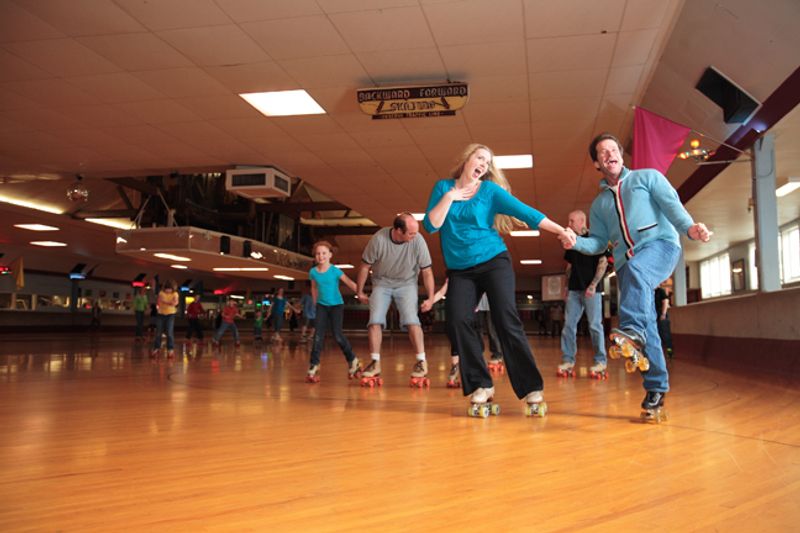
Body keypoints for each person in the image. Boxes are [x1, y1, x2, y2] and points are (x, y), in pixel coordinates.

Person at [563, 132, 711, 419]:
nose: (609, 154)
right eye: (602, 153)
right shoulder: (599, 204)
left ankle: (632, 330)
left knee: (638, 276)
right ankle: (656, 387)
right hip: (629, 265)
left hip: (661, 247)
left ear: (620, 154)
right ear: (597, 163)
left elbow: (672, 205)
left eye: (613, 149)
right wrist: (576, 242)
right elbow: (598, 242)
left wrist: (690, 228)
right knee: (648, 324)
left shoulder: (647, 178)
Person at [423, 143, 575, 416]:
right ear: (466, 159)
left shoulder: (490, 191)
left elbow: (526, 213)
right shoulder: (443, 187)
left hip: (493, 261)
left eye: (487, 162)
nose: (483, 163)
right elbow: (431, 225)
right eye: (479, 157)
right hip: (460, 270)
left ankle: (531, 387)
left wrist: (560, 230)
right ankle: (481, 384)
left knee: (505, 319)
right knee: (458, 320)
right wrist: (452, 196)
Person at [356, 212, 435, 387]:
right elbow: (364, 266)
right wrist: (359, 291)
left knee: (411, 320)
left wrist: (430, 298)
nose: (415, 236)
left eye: (416, 233)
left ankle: (422, 361)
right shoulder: (379, 239)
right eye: (411, 233)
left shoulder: (418, 241)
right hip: (381, 283)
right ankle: (375, 362)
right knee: (375, 321)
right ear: (398, 230)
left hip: (407, 283)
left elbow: (427, 271)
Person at [557, 210, 609, 379]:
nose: (569, 224)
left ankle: (600, 361)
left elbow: (603, 262)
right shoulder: (573, 242)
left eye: (572, 221)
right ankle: (568, 360)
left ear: (582, 221)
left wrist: (593, 285)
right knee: (568, 326)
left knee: (595, 326)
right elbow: (570, 266)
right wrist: (566, 287)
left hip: (591, 290)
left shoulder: (595, 239)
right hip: (574, 289)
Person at [306, 240, 362, 383]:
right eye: (318, 254)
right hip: (321, 306)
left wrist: (361, 294)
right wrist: (314, 301)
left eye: (324, 253)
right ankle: (314, 364)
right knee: (318, 336)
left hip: (337, 306)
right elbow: (313, 287)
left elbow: (349, 282)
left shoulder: (335, 270)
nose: (321, 256)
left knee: (337, 335)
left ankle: (352, 359)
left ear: (330, 255)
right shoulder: (313, 272)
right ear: (315, 256)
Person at [151, 280, 179, 358]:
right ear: (164, 288)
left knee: (169, 332)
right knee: (158, 332)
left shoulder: (175, 293)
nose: (168, 290)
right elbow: (159, 303)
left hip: (171, 314)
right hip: (161, 314)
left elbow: (175, 303)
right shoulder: (161, 293)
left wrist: (166, 302)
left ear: (172, 289)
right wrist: (169, 302)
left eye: (169, 289)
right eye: (166, 288)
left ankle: (170, 349)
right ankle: (156, 348)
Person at [655, 281, 674, 359]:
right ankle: (659, 354)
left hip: (662, 316)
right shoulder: (652, 292)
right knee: (657, 335)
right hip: (655, 316)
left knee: (665, 335)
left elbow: (665, 301)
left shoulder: (661, 291)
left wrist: (663, 314)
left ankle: (670, 352)